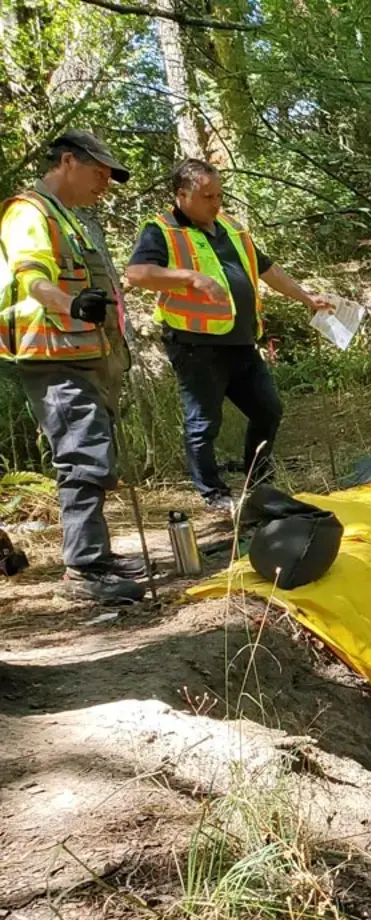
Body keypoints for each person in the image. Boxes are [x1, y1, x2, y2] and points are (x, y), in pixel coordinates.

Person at [125, 158, 334, 512]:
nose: (216, 202)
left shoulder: (231, 226)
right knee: (204, 421)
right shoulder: (161, 230)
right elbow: (137, 273)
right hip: (195, 345)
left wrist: (305, 298)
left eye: (219, 195)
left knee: (268, 409)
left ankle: (260, 479)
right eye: (207, 196)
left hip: (241, 341)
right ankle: (213, 493)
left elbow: (265, 268)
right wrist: (191, 278)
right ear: (182, 195)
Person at [0, 130, 145, 605]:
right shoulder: (30, 213)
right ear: (67, 161)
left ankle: (96, 557)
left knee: (94, 454)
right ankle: (84, 571)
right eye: (99, 173)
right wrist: (73, 306)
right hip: (52, 356)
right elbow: (33, 278)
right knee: (82, 457)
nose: (105, 184)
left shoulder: (71, 217)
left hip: (83, 356)